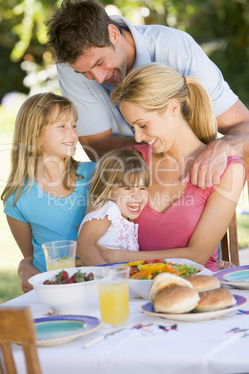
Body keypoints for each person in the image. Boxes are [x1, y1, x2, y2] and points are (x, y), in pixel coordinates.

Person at [46, 0, 249, 189]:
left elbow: (244, 126)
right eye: (85, 73)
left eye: (101, 62)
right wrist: (177, 151)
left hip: (194, 183)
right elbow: (98, 147)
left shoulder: (177, 50)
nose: (98, 78)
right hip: (130, 188)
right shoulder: (71, 68)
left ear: (114, 34)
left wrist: (225, 147)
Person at [86, 63, 247, 271]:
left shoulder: (229, 170)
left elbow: (196, 255)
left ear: (172, 108)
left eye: (142, 125)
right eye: (132, 127)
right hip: (135, 287)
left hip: (196, 287)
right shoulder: (132, 160)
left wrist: (121, 257)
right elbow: (99, 231)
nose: (138, 136)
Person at [1, 93, 95, 292]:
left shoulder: (95, 175)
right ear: (36, 135)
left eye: (74, 126)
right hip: (53, 290)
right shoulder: (18, 198)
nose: (73, 134)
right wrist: (23, 267)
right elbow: (30, 259)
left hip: (95, 283)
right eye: (62, 126)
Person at [76, 149, 150, 265]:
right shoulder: (109, 210)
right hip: (105, 279)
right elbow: (84, 244)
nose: (137, 196)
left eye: (142, 188)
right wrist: (106, 274)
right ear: (108, 191)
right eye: (128, 188)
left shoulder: (123, 216)